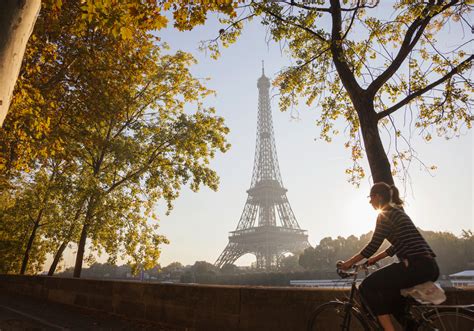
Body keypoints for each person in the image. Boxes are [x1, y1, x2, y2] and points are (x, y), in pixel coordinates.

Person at [338, 182, 439, 331]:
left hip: (414, 266)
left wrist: (348, 263)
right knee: (394, 302)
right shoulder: (398, 213)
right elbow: (395, 247)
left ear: (377, 196)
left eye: (370, 197)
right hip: (429, 266)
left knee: (366, 287)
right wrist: (374, 260)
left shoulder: (384, 215)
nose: (369, 201)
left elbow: (373, 245)